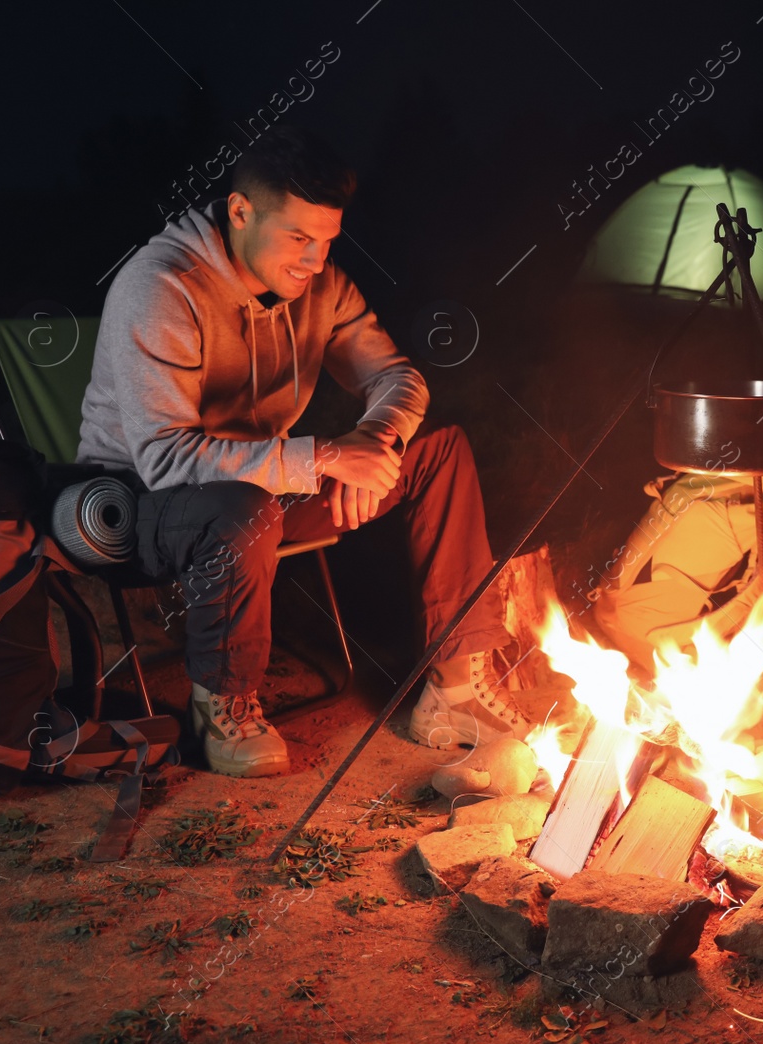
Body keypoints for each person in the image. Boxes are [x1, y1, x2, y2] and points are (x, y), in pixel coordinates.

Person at [77, 125, 530, 777]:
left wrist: (374, 444)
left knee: (436, 448)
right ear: (240, 213)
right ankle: (223, 706)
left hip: (256, 496)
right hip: (135, 509)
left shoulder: (320, 287)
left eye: (326, 241)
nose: (315, 261)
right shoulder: (161, 287)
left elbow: (398, 377)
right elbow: (166, 459)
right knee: (243, 507)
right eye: (297, 237)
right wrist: (321, 457)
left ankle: (452, 690)